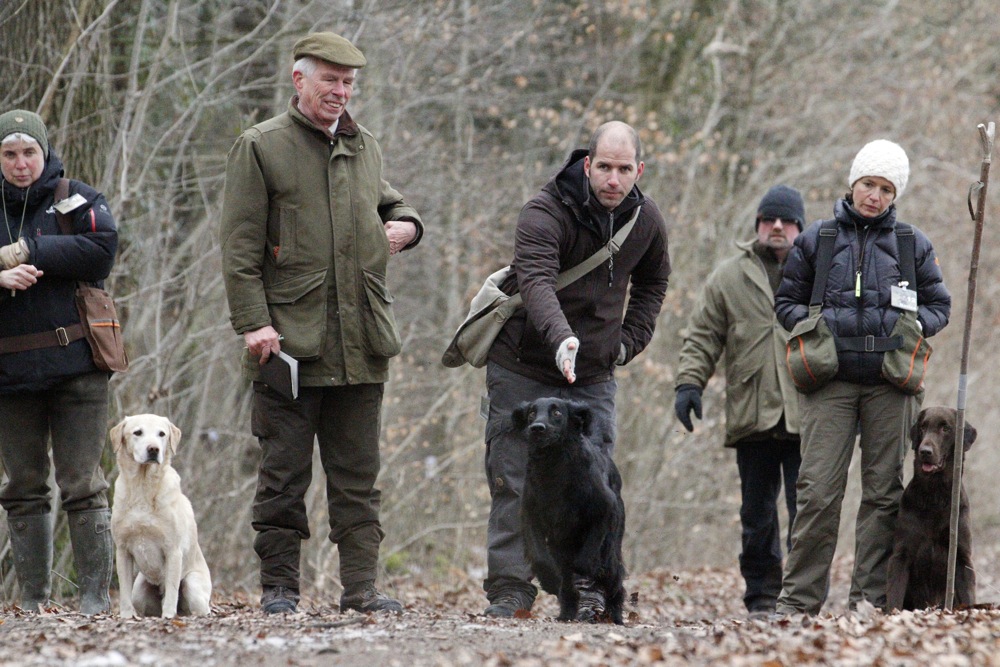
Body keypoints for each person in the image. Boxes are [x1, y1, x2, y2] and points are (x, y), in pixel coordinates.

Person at [219, 32, 423, 615]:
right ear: (298, 80)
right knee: (282, 477)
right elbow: (238, 250)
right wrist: (254, 324)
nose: (340, 91)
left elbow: (391, 204)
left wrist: (407, 226)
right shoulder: (260, 148)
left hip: (360, 343)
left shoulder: (365, 147)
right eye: (329, 79)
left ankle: (360, 588)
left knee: (359, 478)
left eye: (348, 82)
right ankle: (280, 589)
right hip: (287, 345)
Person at [481, 121, 671, 619]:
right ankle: (510, 588)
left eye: (623, 169)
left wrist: (627, 344)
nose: (613, 179)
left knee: (596, 485)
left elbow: (654, 283)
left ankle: (589, 586)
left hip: (592, 375)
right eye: (604, 167)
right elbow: (536, 280)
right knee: (513, 473)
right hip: (525, 361)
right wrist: (561, 335)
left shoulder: (646, 221)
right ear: (587, 165)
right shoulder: (544, 212)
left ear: (638, 170)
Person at [773, 140, 951, 615]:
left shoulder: (913, 244)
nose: (875, 195)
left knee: (884, 495)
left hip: (891, 386)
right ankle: (798, 603)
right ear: (853, 183)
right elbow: (785, 303)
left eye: (886, 189)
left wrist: (912, 326)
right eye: (869, 184)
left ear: (896, 195)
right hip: (827, 383)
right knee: (816, 492)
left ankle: (868, 601)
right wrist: (815, 327)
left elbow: (941, 306)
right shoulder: (817, 239)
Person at [0, 109, 119, 614]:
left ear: (44, 152)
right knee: (24, 487)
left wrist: (31, 249)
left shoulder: (78, 196)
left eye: (29, 152)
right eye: (9, 153)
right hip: (9, 374)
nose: (21, 163)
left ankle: (94, 599)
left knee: (83, 484)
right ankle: (33, 601)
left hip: (78, 366)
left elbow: (102, 250)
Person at [673, 185, 805, 617]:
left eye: (786, 221)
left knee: (809, 513)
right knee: (757, 515)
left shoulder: (819, 274)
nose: (778, 227)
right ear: (758, 226)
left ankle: (801, 598)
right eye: (770, 220)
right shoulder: (729, 276)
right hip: (752, 413)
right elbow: (703, 335)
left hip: (810, 413)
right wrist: (689, 384)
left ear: (800, 227)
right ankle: (763, 597)